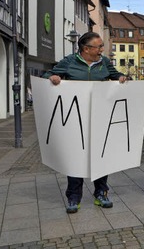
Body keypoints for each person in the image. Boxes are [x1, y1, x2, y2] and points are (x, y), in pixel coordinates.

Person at [43, 31, 127, 214]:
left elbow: (115, 75)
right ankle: (74, 197)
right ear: (86, 49)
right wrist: (53, 78)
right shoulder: (70, 61)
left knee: (101, 156)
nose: (102, 50)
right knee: (76, 157)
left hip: (100, 117)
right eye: (99, 47)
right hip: (75, 119)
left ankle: (101, 193)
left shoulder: (104, 62)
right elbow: (47, 75)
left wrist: (120, 78)